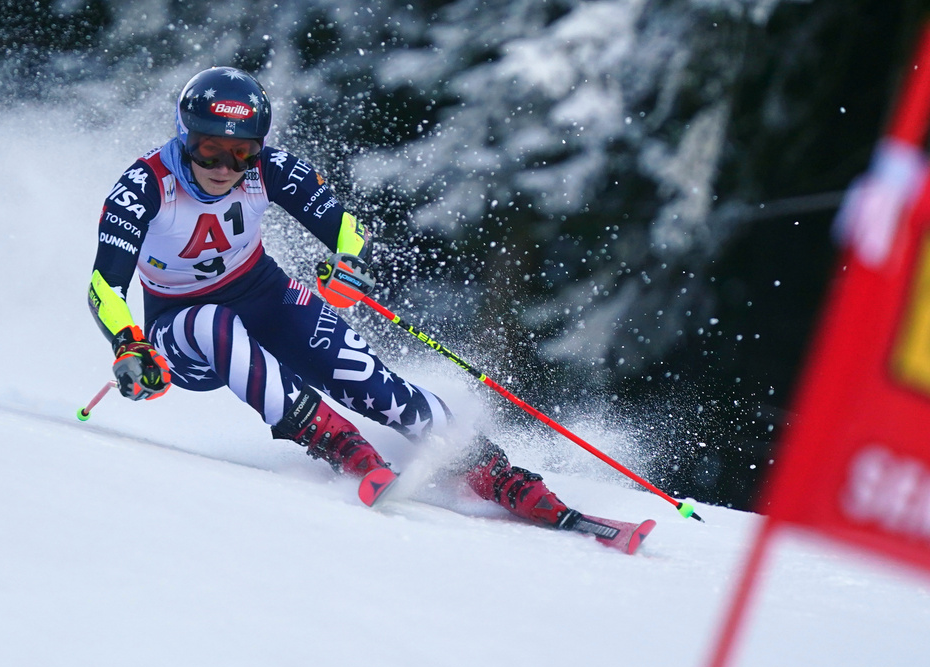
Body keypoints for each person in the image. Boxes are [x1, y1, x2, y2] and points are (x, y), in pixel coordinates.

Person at [87, 66, 593, 530]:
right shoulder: (144, 186)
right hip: (180, 330)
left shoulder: (271, 170)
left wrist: (349, 265)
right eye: (209, 149)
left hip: (263, 293)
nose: (224, 166)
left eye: (242, 152)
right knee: (211, 322)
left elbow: (347, 228)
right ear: (184, 136)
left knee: (367, 379)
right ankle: (342, 445)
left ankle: (497, 473)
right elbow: (104, 286)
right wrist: (129, 344)